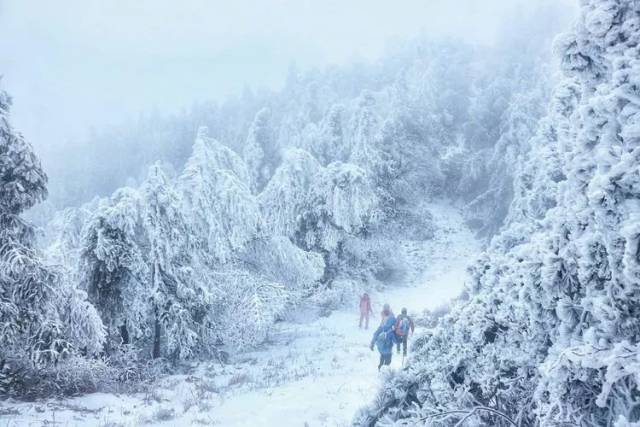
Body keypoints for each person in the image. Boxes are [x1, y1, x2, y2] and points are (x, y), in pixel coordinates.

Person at [370, 303, 396, 370]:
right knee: (387, 361)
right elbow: (394, 335)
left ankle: (381, 369)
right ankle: (383, 371)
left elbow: (376, 334)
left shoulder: (388, 320)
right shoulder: (389, 320)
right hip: (386, 346)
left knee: (383, 357)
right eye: (385, 309)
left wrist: (372, 343)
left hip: (383, 346)